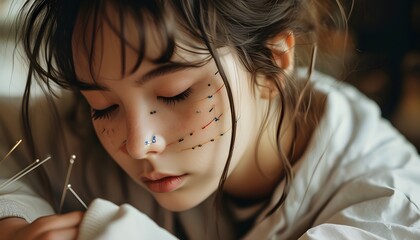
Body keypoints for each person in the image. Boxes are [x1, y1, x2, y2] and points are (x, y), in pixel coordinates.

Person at [1, 0, 420, 239]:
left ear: (273, 62)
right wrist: (17, 220)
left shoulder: (386, 213)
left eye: (175, 93)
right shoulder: (83, 138)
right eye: (103, 106)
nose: (138, 144)